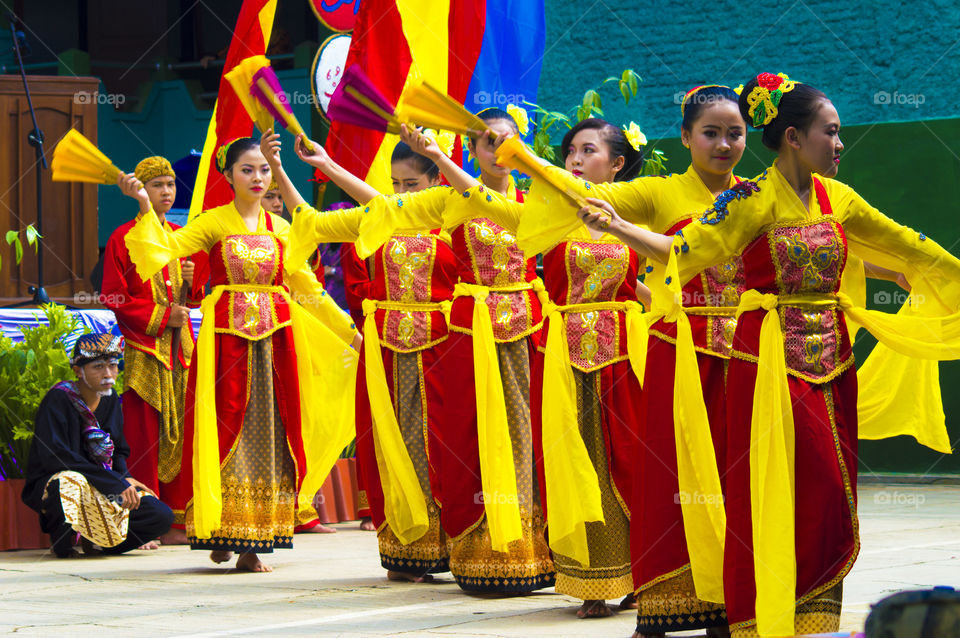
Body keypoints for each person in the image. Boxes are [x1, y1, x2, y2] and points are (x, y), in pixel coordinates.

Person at [575, 72, 960, 637]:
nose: (839, 143)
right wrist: (618, 226)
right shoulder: (750, 199)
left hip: (832, 363)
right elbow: (685, 249)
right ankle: (758, 611)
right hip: (767, 364)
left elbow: (907, 243)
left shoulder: (840, 198)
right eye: (830, 132)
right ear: (794, 139)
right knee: (768, 484)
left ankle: (808, 609)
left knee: (830, 488)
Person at [285, 108, 555, 594]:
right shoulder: (452, 200)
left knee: (530, 438)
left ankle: (533, 550)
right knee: (470, 441)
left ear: (523, 145)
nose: (497, 152)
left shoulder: (541, 197)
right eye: (486, 144)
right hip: (470, 338)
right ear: (471, 152)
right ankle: (482, 551)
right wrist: (327, 166)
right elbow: (382, 210)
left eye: (506, 142)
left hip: (530, 334)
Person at [514, 87, 746, 635]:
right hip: (570, 350)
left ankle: (728, 580)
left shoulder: (748, 197)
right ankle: (606, 578)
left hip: (641, 348)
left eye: (587, 150)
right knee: (584, 459)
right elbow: (501, 198)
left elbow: (648, 281)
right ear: (687, 138)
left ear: (618, 162)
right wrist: (517, 158)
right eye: (570, 151)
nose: (575, 159)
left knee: (647, 460)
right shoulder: (590, 210)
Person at [120, 136, 360, 573]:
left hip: (275, 349)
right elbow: (162, 250)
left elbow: (307, 289)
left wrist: (350, 334)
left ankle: (253, 543)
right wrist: (141, 204)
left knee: (272, 436)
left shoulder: (283, 230)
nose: (257, 177)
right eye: (247, 169)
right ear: (228, 174)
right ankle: (221, 528)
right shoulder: (213, 222)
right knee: (224, 431)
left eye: (264, 170)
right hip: (226, 346)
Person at [263, 131, 456, 581]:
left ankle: (452, 543)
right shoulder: (380, 219)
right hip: (388, 353)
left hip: (446, 350)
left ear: (437, 180)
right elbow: (308, 219)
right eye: (397, 184)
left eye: (412, 184)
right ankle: (406, 551)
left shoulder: (456, 214)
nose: (403, 193)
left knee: (444, 447)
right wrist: (291, 169)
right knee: (393, 447)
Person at [101, 156, 204, 546]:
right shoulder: (122, 238)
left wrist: (191, 286)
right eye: (157, 184)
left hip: (180, 352)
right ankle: (146, 522)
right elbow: (113, 294)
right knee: (144, 435)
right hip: (146, 349)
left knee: (183, 434)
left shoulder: (179, 236)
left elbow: (190, 300)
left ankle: (179, 519)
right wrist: (163, 318)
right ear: (140, 190)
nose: (166, 191)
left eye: (171, 185)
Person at [21, 334, 174, 558]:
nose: (108, 374)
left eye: (113, 366)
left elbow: (119, 449)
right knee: (69, 481)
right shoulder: (58, 399)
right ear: (77, 370)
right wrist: (114, 482)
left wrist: (123, 477)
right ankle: (63, 543)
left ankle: (100, 543)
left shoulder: (110, 399)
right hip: (60, 483)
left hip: (103, 485)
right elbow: (57, 458)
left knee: (160, 515)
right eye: (98, 367)